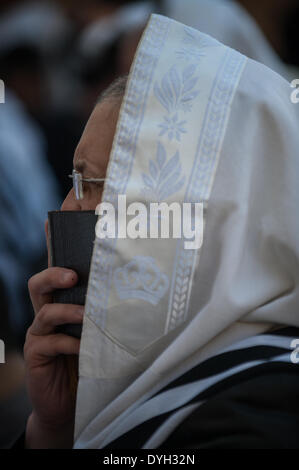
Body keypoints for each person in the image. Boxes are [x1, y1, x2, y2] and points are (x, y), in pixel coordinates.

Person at [23, 14, 299, 449]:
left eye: (91, 183)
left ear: (208, 214)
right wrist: (56, 427)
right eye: (72, 181)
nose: (64, 211)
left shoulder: (256, 419)